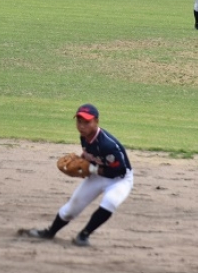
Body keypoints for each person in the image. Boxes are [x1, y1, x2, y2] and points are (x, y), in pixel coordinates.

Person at [23, 104, 133, 247]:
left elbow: (119, 171)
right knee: (71, 209)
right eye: (79, 121)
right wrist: (82, 161)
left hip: (120, 180)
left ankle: (83, 235)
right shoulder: (84, 137)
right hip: (98, 175)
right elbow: (91, 155)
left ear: (96, 122)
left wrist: (91, 169)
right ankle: (49, 232)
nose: (82, 126)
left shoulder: (108, 145)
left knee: (110, 202)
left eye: (87, 122)